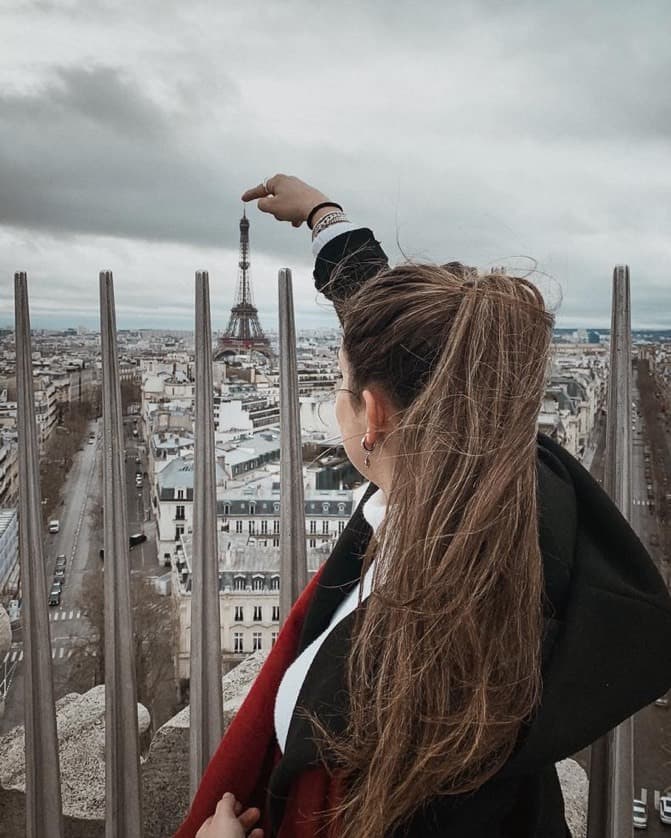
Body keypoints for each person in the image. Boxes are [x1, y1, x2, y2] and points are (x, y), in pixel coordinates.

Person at [176, 174, 671, 838]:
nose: (335, 400)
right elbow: (431, 354)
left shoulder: (421, 679)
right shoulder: (519, 491)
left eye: (341, 384)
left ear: (373, 413)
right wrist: (326, 219)